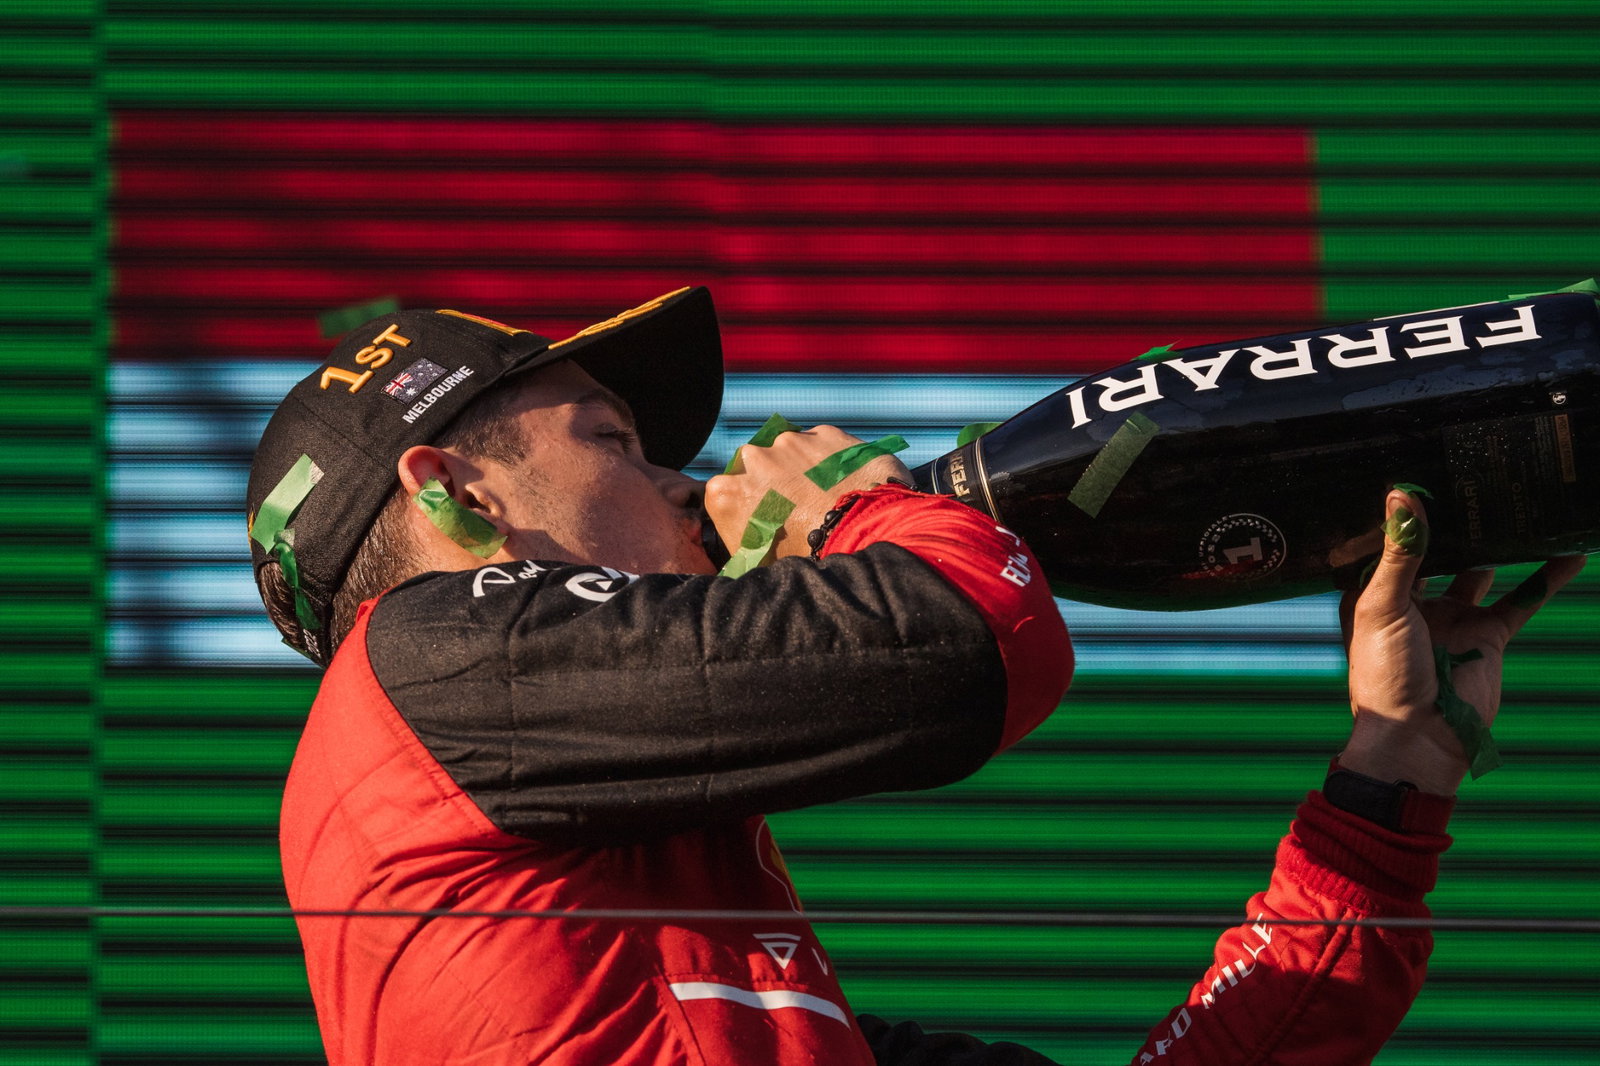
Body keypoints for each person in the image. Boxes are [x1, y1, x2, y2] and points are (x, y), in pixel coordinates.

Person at [247, 286, 1582, 1065]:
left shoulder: (715, 967)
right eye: (616, 441)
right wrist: (851, 509)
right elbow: (967, 641)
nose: (689, 490)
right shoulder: (414, 662)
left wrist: (1392, 771)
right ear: (456, 490)